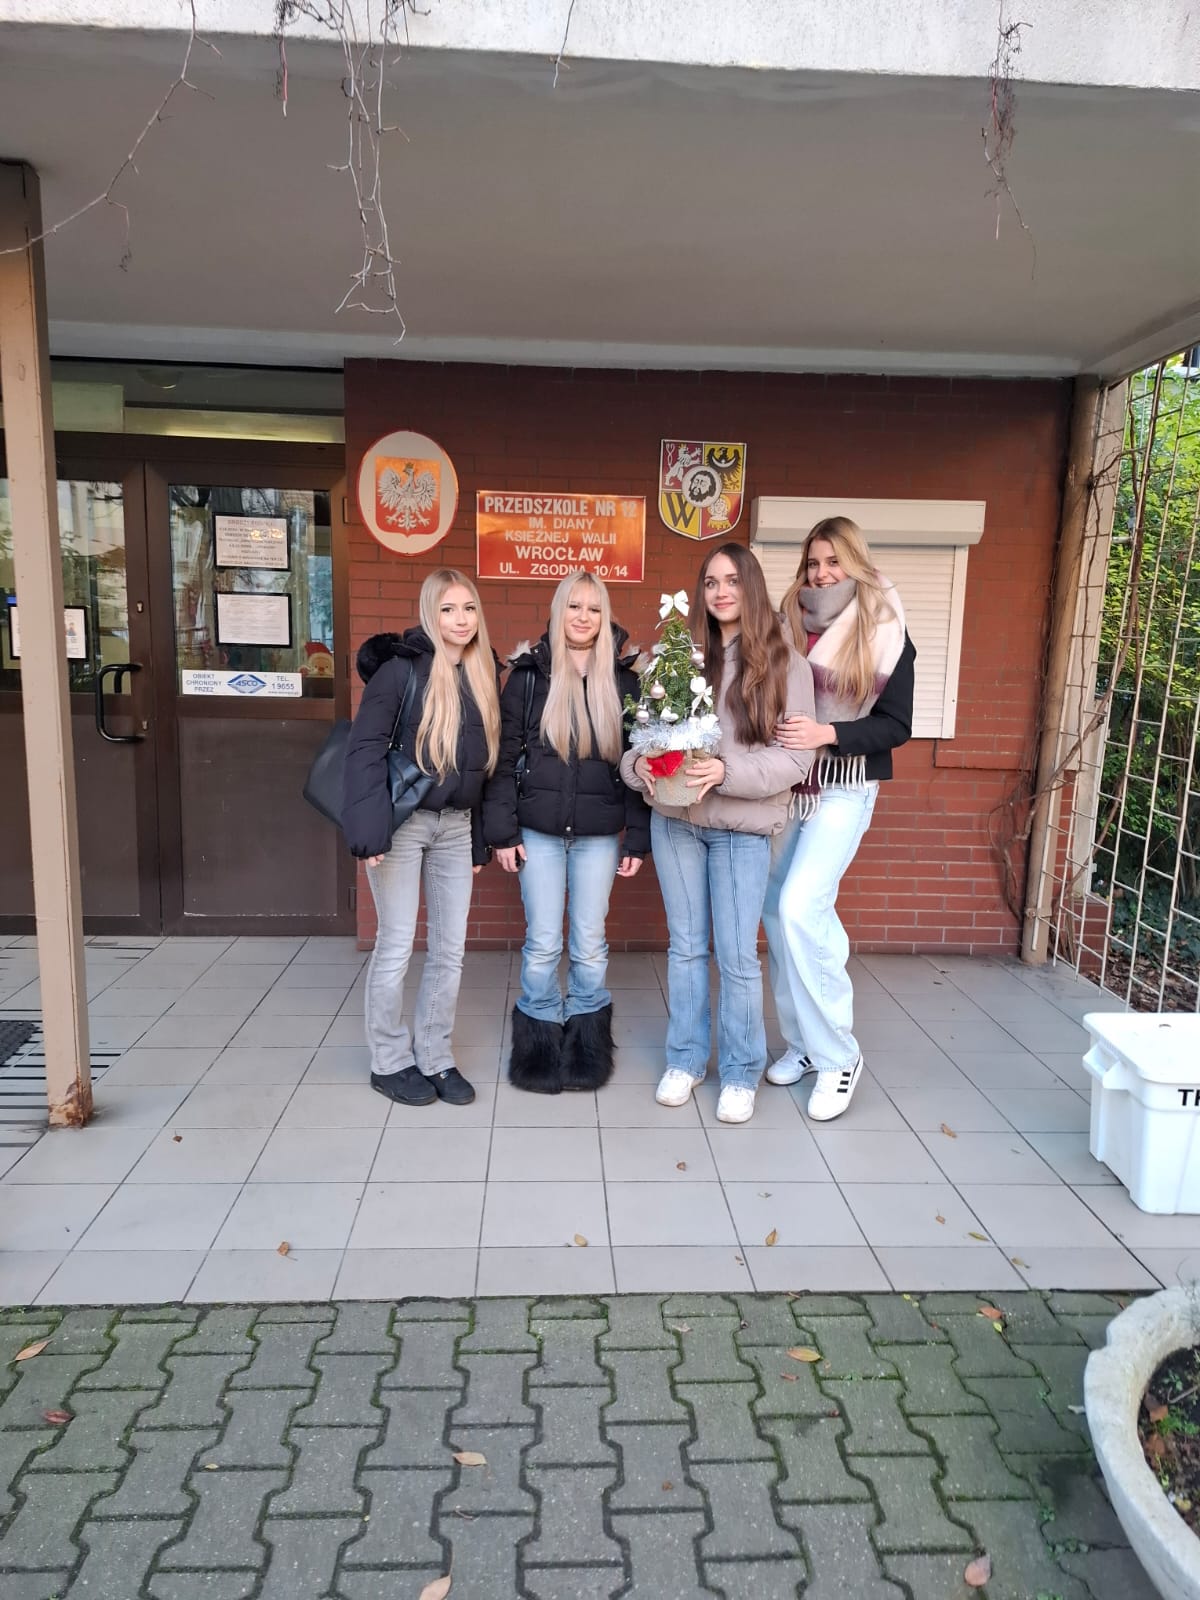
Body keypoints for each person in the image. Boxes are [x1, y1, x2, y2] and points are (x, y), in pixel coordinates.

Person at [621, 544, 816, 1124]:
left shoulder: (785, 665)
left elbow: (795, 761)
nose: (720, 591)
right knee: (685, 949)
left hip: (740, 829)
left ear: (751, 586)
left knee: (736, 957)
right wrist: (640, 769)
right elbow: (641, 741)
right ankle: (685, 1060)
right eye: (710, 582)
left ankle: (739, 1071)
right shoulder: (676, 658)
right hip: (676, 824)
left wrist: (724, 772)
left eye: (731, 580)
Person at [762, 516, 915, 1121]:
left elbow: (896, 726)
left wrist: (828, 733)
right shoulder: (787, 620)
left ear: (856, 561)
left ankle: (838, 1056)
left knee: (803, 906)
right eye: (813, 563)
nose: (822, 573)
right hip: (790, 784)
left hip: (845, 784)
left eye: (833, 561)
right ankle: (802, 1042)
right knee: (776, 911)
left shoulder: (886, 629)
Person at [484, 571, 651, 1093]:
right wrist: (502, 832)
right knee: (541, 942)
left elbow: (641, 764)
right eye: (574, 606)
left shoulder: (624, 682)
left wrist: (637, 837)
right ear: (559, 612)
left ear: (605, 617)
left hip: (600, 835)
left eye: (593, 608)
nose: (583, 617)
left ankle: (585, 1047)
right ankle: (537, 1047)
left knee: (589, 942)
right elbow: (503, 759)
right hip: (537, 832)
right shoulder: (530, 677)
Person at [342, 568, 501, 1108]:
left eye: (469, 608)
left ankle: (434, 1056)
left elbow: (482, 769)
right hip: (403, 825)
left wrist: (478, 838)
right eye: (448, 609)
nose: (461, 619)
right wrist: (370, 831)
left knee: (450, 950)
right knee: (395, 946)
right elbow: (364, 750)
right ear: (430, 614)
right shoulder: (400, 671)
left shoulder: (482, 673)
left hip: (456, 826)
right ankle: (389, 1061)